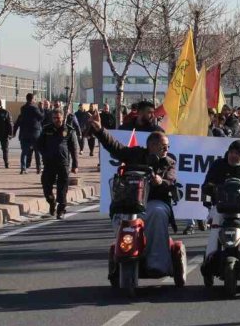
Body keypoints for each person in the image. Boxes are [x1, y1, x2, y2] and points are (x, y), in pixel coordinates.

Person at [88, 110, 179, 275]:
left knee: (157, 213)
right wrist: (99, 130)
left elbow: (171, 181)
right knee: (120, 217)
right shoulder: (135, 154)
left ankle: (157, 264)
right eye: (163, 146)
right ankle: (124, 254)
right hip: (130, 202)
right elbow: (114, 147)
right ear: (151, 146)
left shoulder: (169, 163)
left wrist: (161, 181)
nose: (167, 149)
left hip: (155, 202)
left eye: (168, 146)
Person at [36, 109, 79, 218]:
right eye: (54, 118)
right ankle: (51, 202)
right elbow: (39, 145)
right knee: (46, 184)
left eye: (58, 118)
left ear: (62, 118)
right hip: (49, 163)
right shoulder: (46, 129)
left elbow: (74, 149)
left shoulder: (68, 130)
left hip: (63, 162)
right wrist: (45, 154)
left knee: (62, 187)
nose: (56, 120)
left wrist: (75, 165)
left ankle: (61, 209)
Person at [14, 93, 43, 174]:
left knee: (24, 152)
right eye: (35, 99)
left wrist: (14, 132)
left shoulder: (23, 108)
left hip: (24, 133)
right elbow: (41, 117)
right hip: (34, 133)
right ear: (32, 99)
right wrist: (41, 108)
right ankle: (39, 168)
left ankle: (23, 168)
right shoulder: (34, 108)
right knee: (37, 151)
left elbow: (18, 122)